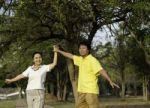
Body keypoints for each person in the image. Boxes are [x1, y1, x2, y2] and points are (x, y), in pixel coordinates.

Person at [54, 41, 120, 108]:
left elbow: (101, 70)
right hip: (81, 91)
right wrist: (58, 51)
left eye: (83, 48)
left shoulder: (92, 60)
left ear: (88, 50)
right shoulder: (80, 59)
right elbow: (70, 55)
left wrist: (110, 81)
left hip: (90, 91)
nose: (81, 50)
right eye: (80, 48)